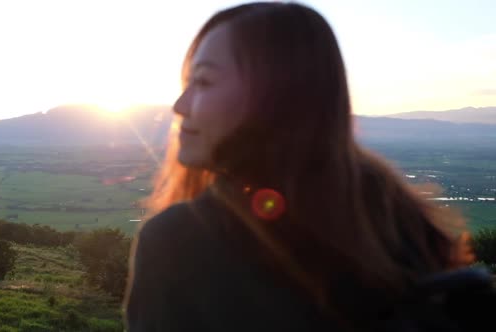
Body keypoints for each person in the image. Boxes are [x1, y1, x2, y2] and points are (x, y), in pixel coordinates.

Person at [123, 2, 474, 331]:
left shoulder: (178, 242)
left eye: (203, 82)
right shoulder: (397, 217)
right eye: (187, 84)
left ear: (271, 96)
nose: (180, 105)